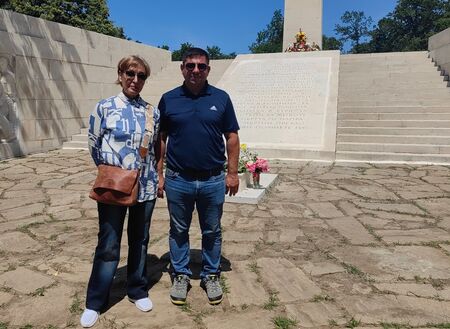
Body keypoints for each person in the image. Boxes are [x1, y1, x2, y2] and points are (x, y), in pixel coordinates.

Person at [80, 55, 160, 328]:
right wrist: (113, 173)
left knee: (140, 239)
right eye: (130, 73)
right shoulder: (104, 107)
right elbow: (94, 144)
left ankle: (137, 289)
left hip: (146, 186)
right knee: (109, 242)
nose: (135, 80)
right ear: (120, 73)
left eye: (141, 76)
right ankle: (96, 300)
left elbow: (157, 148)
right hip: (114, 185)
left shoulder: (152, 111)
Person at [157, 47, 240, 306]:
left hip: (212, 179)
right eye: (190, 65)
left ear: (208, 69)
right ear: (182, 68)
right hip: (178, 178)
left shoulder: (221, 98)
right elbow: (161, 138)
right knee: (178, 229)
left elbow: (232, 137)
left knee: (212, 230)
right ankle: (181, 274)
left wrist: (233, 173)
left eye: (201, 66)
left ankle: (210, 274)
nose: (195, 70)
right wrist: (159, 173)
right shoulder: (168, 99)